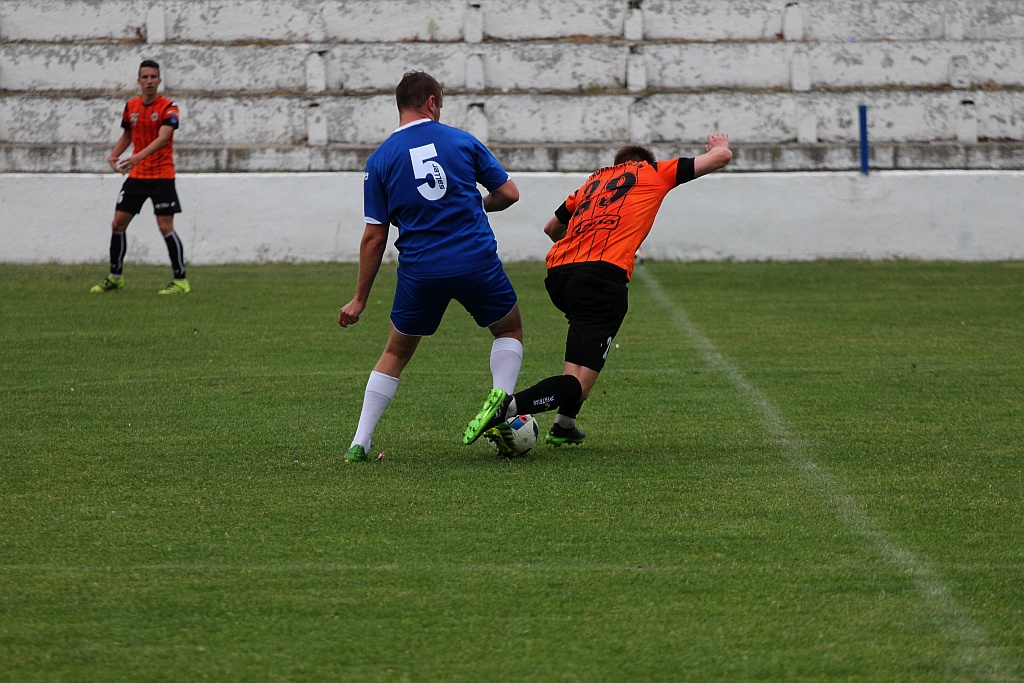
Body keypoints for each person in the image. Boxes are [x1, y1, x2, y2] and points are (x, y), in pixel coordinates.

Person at [463, 133, 733, 455]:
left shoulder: (590, 185)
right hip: (602, 278)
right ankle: (508, 407)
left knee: (582, 359)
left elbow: (551, 229)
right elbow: (721, 158)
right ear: (642, 163)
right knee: (578, 381)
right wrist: (718, 146)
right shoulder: (652, 173)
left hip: (560, 275)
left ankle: (564, 426)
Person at [338, 71, 523, 463]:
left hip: (421, 271)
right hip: (475, 259)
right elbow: (509, 194)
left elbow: (374, 236)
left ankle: (360, 440)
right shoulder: (461, 140)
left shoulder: (381, 159)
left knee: (396, 352)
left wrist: (358, 299)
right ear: (432, 102)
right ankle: (501, 395)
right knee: (508, 328)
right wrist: (477, 204)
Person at [90, 59, 190, 295]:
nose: (149, 81)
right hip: (137, 176)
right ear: (139, 80)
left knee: (165, 226)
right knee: (118, 223)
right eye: (145, 77)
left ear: (159, 80)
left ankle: (181, 280)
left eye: (153, 77)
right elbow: (128, 133)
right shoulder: (131, 106)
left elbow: (164, 138)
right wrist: (114, 155)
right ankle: (115, 277)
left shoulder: (169, 108)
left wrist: (136, 157)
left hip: (162, 176)